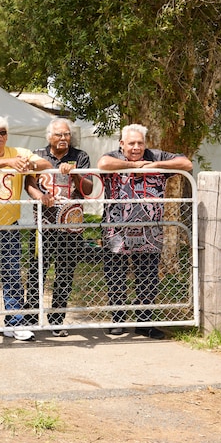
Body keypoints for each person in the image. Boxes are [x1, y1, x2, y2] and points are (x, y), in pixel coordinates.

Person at [97, 124, 192, 339]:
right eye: (131, 143)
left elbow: (185, 163)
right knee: (116, 276)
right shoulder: (113, 155)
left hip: (150, 232)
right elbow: (103, 163)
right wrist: (138, 166)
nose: (136, 147)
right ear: (122, 144)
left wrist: (156, 165)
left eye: (140, 143)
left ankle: (145, 322)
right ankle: (118, 320)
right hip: (117, 231)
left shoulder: (155, 155)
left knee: (148, 278)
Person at [0, 115, 51, 342]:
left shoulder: (18, 152)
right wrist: (7, 163)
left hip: (9, 227)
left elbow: (46, 164)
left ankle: (15, 322)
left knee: (12, 275)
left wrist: (28, 165)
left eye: (2, 132)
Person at [23, 118, 93, 337]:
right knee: (37, 270)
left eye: (66, 135)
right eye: (59, 135)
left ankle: (57, 319)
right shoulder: (38, 154)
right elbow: (29, 184)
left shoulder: (80, 156)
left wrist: (75, 173)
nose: (63, 138)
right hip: (44, 225)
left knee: (65, 273)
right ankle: (31, 316)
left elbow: (89, 189)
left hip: (71, 227)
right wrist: (40, 196)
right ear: (49, 137)